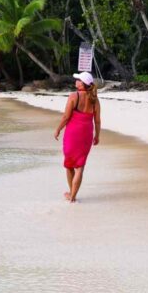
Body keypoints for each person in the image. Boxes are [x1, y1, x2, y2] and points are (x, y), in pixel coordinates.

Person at [54, 71, 101, 203]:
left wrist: (58, 129)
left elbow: (66, 117)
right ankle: (73, 195)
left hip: (72, 134)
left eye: (78, 79)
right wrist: (97, 136)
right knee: (80, 166)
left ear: (83, 83)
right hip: (86, 134)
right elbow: (97, 121)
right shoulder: (94, 99)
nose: (76, 81)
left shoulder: (74, 96)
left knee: (69, 165)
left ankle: (72, 195)